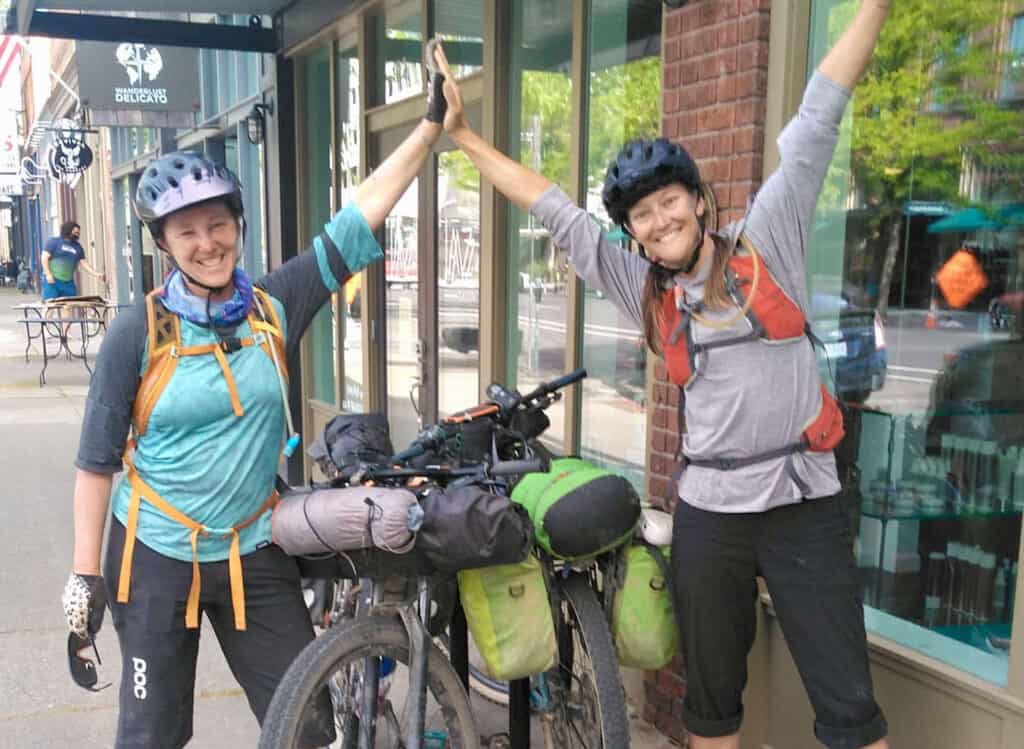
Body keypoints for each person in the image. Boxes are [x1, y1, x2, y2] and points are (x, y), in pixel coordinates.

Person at [432, 2, 892, 747]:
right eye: (641, 214)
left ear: (700, 202)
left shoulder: (765, 239)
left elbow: (818, 112)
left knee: (846, 699)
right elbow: (549, 205)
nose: (657, 221)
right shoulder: (641, 284)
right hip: (711, 511)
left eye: (669, 202)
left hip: (804, 499)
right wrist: (461, 135)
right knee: (709, 700)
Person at [61, 72, 448, 746]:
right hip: (154, 554)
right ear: (164, 244)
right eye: (187, 232)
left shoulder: (272, 307)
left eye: (217, 224)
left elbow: (355, 225)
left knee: (308, 723)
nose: (206, 242)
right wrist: (84, 572)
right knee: (151, 734)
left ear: (239, 225)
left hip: (250, 547)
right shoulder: (139, 332)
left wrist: (427, 132)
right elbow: (96, 463)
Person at [42, 221, 103, 299]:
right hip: (53, 280)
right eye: (76, 232)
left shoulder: (77, 247)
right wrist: (48, 274)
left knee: (68, 305)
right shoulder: (54, 242)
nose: (78, 234)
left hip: (68, 282)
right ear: (68, 230)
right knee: (50, 304)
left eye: (78, 232)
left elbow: (83, 263)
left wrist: (96, 274)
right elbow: (44, 257)